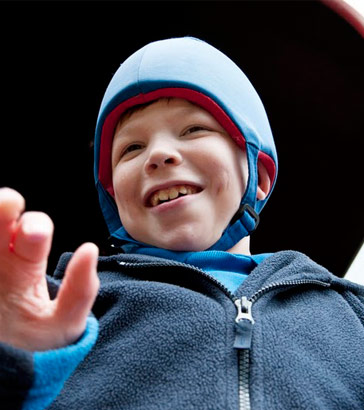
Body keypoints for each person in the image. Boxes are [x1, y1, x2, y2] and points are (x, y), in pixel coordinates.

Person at [0, 37, 363, 410]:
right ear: (115, 201)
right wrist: (17, 368)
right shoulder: (68, 311)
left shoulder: (349, 312)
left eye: (193, 130)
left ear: (261, 178)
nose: (157, 154)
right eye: (131, 148)